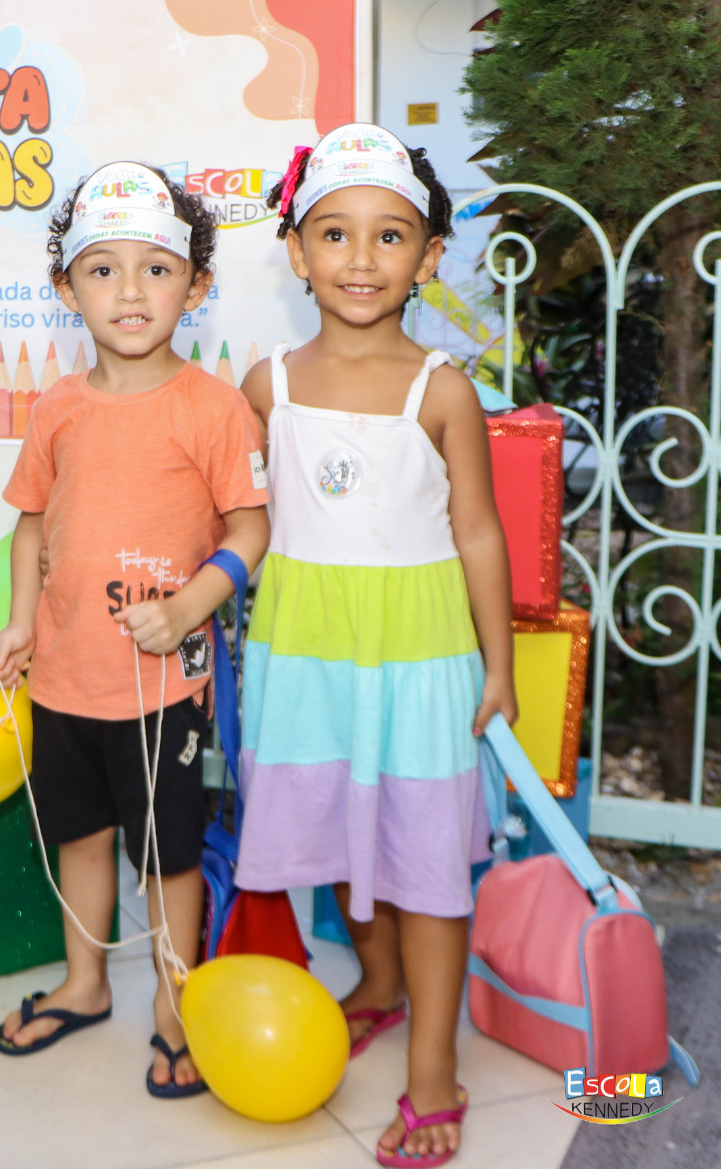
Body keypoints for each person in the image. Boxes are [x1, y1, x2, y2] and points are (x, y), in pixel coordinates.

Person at [237, 124, 516, 1167]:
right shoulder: (264, 384)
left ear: (429, 256)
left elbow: (477, 532)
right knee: (327, 830)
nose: (361, 259)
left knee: (425, 858)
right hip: (303, 653)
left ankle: (435, 1069)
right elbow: (236, 516)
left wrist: (497, 666)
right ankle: (380, 983)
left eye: (390, 235)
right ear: (297, 251)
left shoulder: (442, 389)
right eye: (335, 233)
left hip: (419, 654)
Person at [0, 162, 270, 1097]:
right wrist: (21, 623)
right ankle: (85, 983)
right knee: (80, 835)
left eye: (156, 269)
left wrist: (189, 607)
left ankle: (176, 1013)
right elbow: (32, 526)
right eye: (103, 270)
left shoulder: (213, 408)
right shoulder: (57, 408)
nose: (131, 291)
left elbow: (251, 529)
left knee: (167, 855)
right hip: (66, 677)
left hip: (164, 686)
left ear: (197, 284)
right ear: (68, 290)